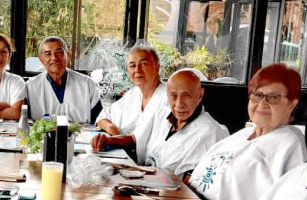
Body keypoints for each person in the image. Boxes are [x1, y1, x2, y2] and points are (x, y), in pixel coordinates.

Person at [188, 63, 307, 200]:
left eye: (274, 97)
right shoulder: (244, 134)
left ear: (291, 104)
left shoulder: (290, 143)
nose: (262, 103)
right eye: (257, 95)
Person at [90, 69, 228, 176]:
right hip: (141, 179)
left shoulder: (210, 132)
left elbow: (191, 184)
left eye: (186, 96)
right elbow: (135, 139)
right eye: (173, 96)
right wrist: (109, 141)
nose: (179, 104)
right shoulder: (162, 112)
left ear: (200, 95)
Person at [94, 44, 169, 136]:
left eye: (144, 64)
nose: (137, 69)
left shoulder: (170, 97)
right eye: (132, 65)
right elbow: (102, 118)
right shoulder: (132, 95)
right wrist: (111, 128)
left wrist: (119, 139)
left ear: (157, 67)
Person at [25, 36, 102, 123]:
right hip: (44, 132)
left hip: (81, 131)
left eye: (59, 52)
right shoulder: (30, 86)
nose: (54, 58)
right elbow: (25, 120)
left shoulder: (87, 84)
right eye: (48, 54)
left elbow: (99, 119)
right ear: (41, 60)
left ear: (68, 55)